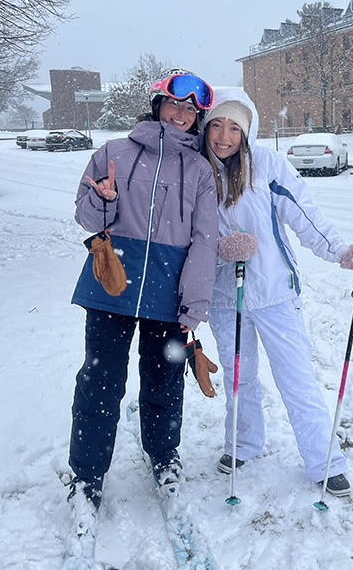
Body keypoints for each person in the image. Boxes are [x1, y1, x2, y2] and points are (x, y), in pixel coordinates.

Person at [200, 87, 353, 496]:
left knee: (296, 379)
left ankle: (325, 461)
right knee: (238, 378)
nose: (224, 137)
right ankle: (242, 443)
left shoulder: (267, 165)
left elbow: (305, 216)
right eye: (217, 126)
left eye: (234, 128)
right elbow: (186, 239)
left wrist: (341, 251)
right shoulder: (196, 172)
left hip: (276, 292)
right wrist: (219, 250)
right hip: (224, 295)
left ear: (247, 133)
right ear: (206, 127)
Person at [67, 69, 218, 511]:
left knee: (165, 384)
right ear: (157, 106)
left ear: (197, 118)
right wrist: (105, 200)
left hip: (167, 299)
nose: (181, 114)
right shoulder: (113, 153)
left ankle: (164, 458)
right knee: (100, 382)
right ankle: (87, 475)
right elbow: (87, 218)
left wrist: (194, 303)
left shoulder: (200, 171)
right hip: (111, 288)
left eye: (191, 109)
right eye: (174, 104)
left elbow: (204, 241)